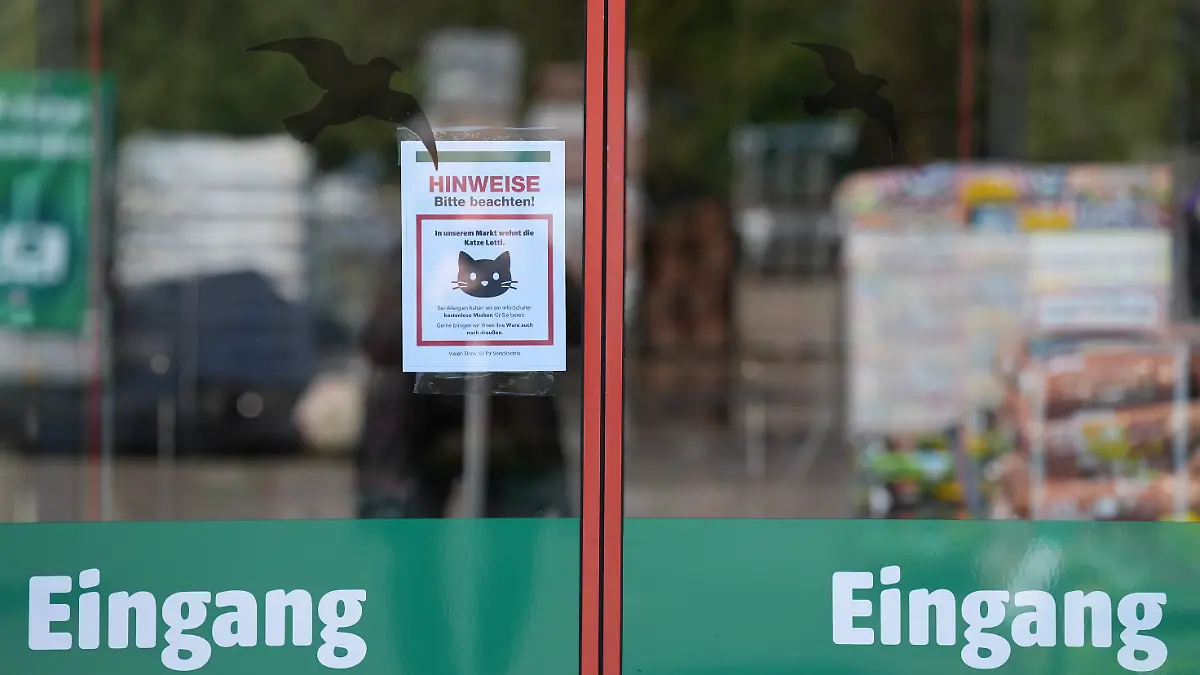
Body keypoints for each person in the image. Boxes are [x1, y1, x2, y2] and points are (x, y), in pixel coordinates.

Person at [354, 241, 583, 518]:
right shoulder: (419, 250)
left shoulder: (529, 251)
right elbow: (379, 342)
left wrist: (526, 283)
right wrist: (434, 300)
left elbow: (578, 329)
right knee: (409, 530)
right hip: (423, 427)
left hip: (513, 429)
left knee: (510, 533)